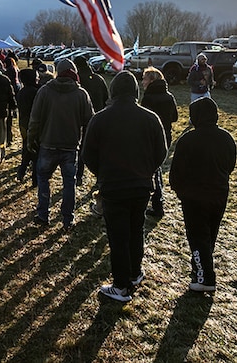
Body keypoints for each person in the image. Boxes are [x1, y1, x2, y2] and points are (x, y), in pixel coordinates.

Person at [81, 71, 167, 302]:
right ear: (136, 92)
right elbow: (162, 152)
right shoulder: (150, 118)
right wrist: (145, 170)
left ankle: (121, 286)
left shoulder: (100, 119)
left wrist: (103, 173)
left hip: (113, 186)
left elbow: (87, 154)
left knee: (118, 236)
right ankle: (134, 272)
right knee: (135, 230)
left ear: (113, 91)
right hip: (140, 186)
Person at [168, 97, 236, 292]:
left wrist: (179, 190)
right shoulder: (226, 138)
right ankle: (200, 267)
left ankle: (206, 278)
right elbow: (230, 165)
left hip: (194, 197)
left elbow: (176, 171)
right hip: (219, 193)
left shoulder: (188, 140)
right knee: (210, 235)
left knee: (198, 237)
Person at [27, 58, 94, 229]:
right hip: (70, 146)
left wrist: (30, 141)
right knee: (69, 183)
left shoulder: (44, 91)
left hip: (47, 144)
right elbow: (90, 121)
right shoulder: (81, 94)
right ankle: (67, 219)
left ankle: (43, 214)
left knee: (43, 179)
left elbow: (34, 120)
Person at [140, 66, 179, 219]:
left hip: (150, 138)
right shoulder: (169, 96)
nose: (142, 82)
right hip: (166, 136)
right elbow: (175, 117)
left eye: (145, 79)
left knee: (153, 171)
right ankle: (157, 202)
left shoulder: (148, 97)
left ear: (151, 80)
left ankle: (157, 204)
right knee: (157, 168)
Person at [73, 56, 110, 186]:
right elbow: (106, 98)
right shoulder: (99, 79)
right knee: (100, 149)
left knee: (81, 148)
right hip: (99, 117)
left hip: (81, 119)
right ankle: (100, 177)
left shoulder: (77, 81)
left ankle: (78, 176)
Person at [16, 68, 39, 187]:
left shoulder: (21, 92)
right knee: (36, 153)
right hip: (34, 125)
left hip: (23, 125)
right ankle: (35, 179)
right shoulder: (36, 92)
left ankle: (21, 171)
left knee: (26, 147)